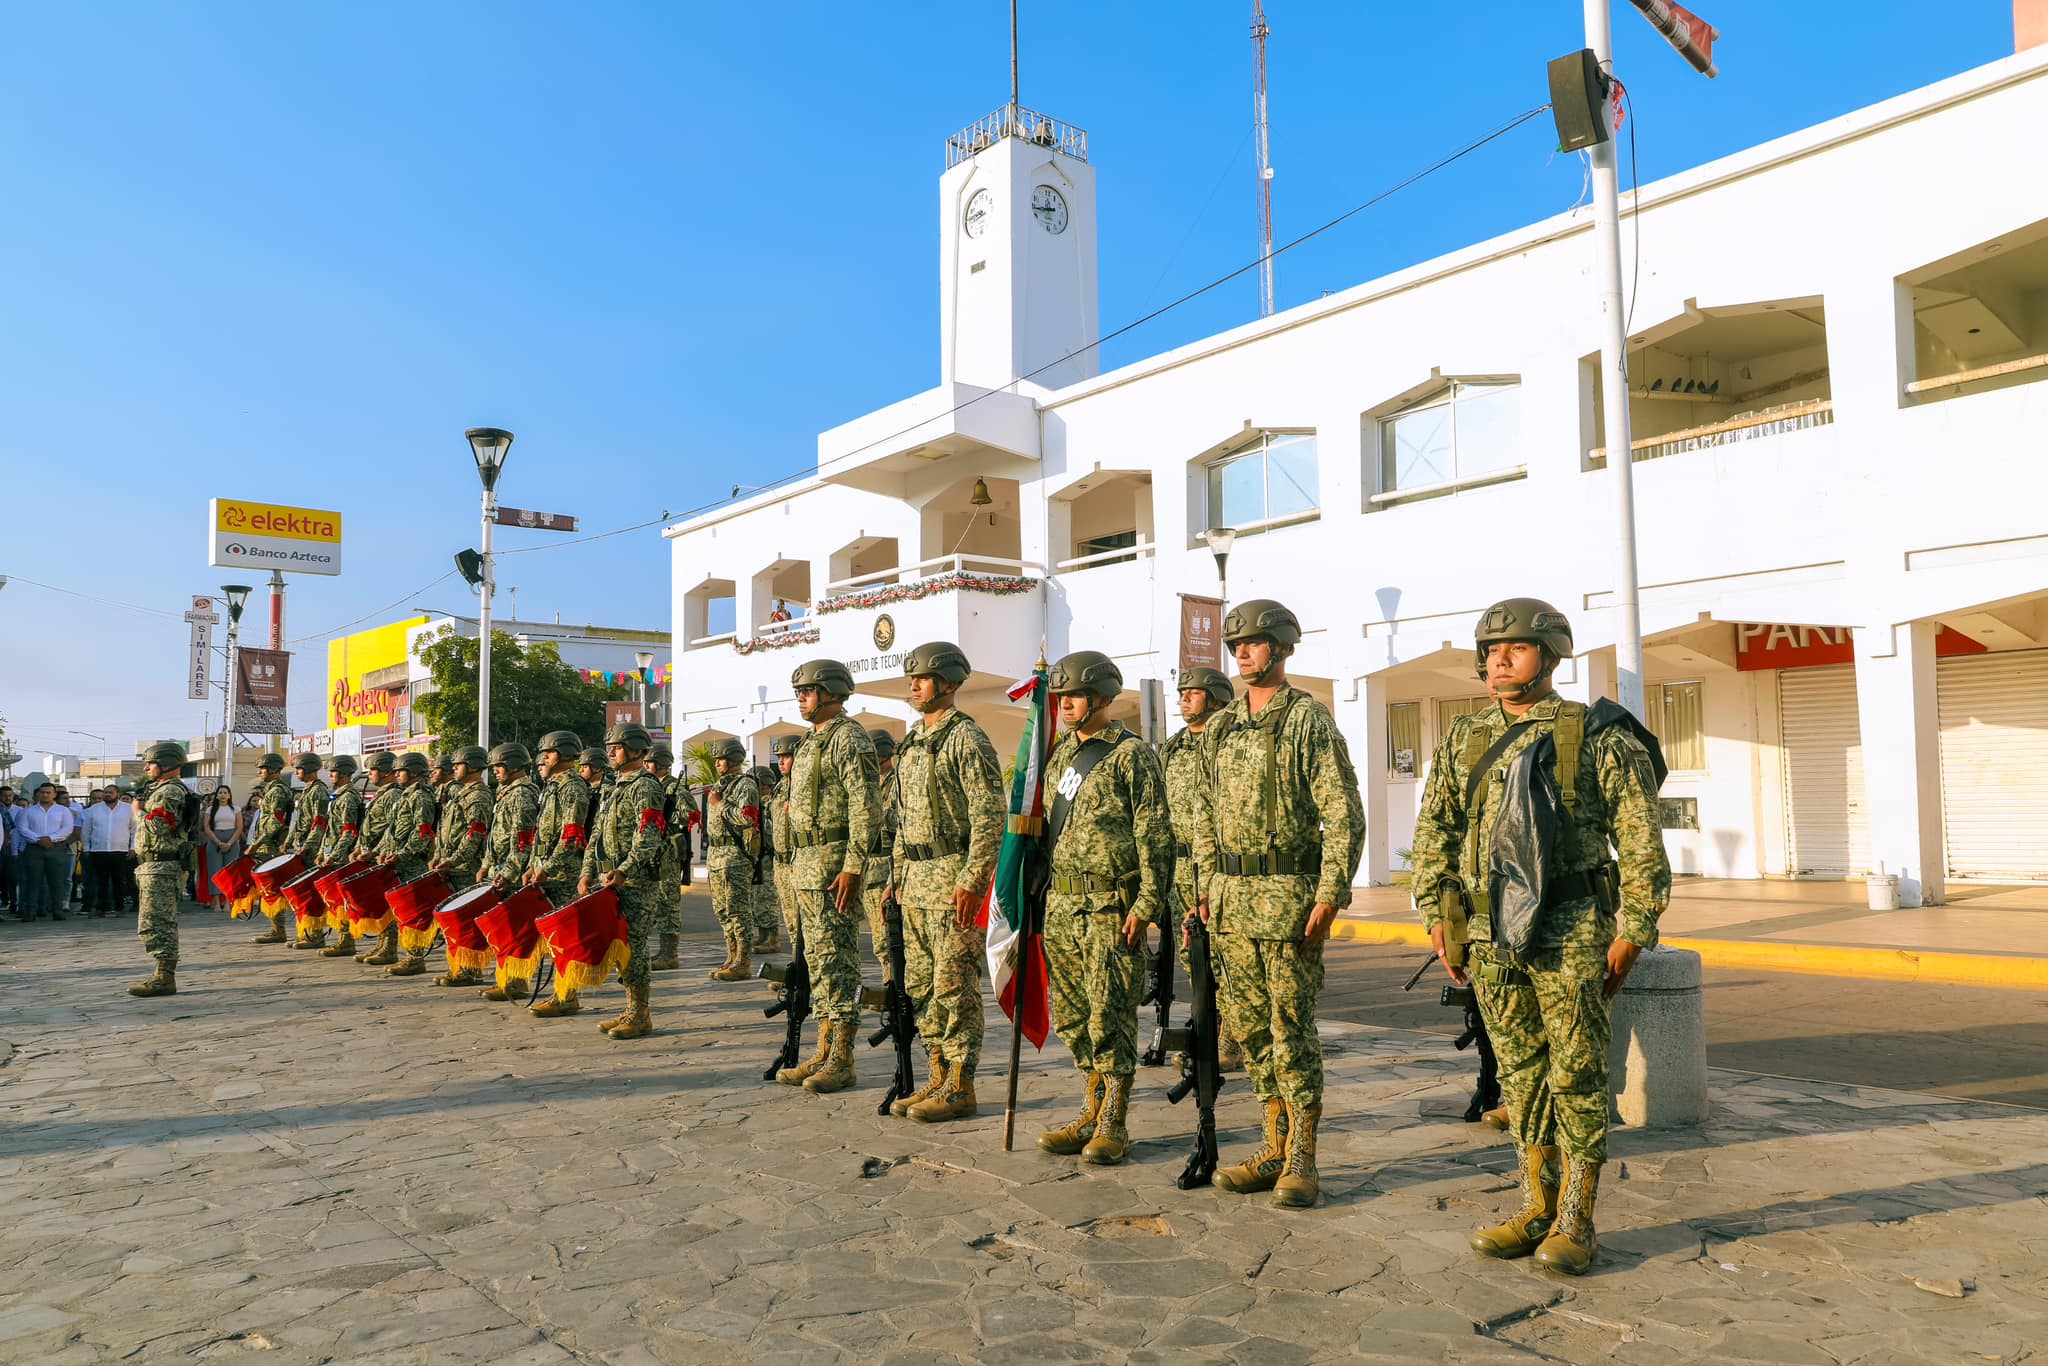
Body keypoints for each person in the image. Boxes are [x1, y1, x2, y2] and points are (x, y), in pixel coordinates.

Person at [1410, 597, 1671, 1275]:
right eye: (1491, 650)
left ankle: (1576, 1218)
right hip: (1489, 934)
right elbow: (1435, 830)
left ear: (1550, 657)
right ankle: (1535, 1205)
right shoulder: (1464, 736)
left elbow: (1641, 839)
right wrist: (1440, 918)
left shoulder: (1595, 735)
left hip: (1572, 929)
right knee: (1521, 1075)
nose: (1500, 660)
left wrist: (1634, 930)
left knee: (1576, 1075)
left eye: (1517, 648)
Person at [1188, 601, 1365, 1209]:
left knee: (1291, 1030)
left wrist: (1330, 893)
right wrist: (1206, 885)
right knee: (1251, 1030)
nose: (1242, 652)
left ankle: (1302, 1156)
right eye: (1236, 644)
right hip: (1231, 903)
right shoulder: (1221, 727)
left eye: (1255, 642)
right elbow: (1203, 814)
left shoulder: (1307, 719)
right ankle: (1272, 1144)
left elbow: (1343, 812)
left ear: (1283, 648)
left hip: (1287, 899)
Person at [1033, 651, 1173, 1165]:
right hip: (1062, 905)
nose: (1066, 704)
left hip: (1110, 907)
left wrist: (1148, 902)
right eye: (1062, 697)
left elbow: (1155, 834)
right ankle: (1089, 1110)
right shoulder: (1060, 756)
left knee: (1109, 1016)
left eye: (1075, 696)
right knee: (1072, 1017)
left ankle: (1113, 1119)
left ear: (1100, 698)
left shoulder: (1130, 755)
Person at [885, 641, 1003, 1123]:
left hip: (952, 884)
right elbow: (901, 818)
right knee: (921, 987)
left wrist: (973, 879)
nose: (914, 685)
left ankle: (960, 1083)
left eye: (924, 678)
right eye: (912, 678)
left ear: (949, 682)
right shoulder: (913, 741)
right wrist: (896, 876)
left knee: (955, 987)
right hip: (915, 884)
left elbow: (989, 815)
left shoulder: (966, 739)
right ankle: (936, 1075)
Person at [778, 659, 879, 1094]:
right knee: (817, 963)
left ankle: (842, 1057)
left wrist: (853, 866)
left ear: (831, 692)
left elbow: (866, 807)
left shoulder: (848, 738)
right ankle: (823, 1049)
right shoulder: (809, 741)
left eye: (807, 691)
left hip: (833, 868)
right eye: (798, 692)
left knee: (837, 962)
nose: (800, 698)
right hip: (805, 866)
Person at [1159, 665, 1243, 1069]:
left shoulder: (1229, 742)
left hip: (1216, 865)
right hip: (1178, 867)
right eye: (1182, 692)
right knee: (1192, 956)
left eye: (1193, 692)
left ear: (1216, 699)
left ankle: (1231, 1037)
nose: (1185, 698)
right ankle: (1206, 1027)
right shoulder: (1172, 748)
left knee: (1223, 956)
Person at [576, 723, 668, 1040]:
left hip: (636, 881)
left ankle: (640, 1013)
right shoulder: (614, 788)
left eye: (617, 747)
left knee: (634, 947)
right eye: (610, 747)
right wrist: (587, 871)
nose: (611, 752)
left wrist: (625, 870)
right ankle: (630, 1008)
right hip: (611, 880)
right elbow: (596, 835)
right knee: (621, 945)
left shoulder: (645, 787)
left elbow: (649, 835)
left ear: (636, 750)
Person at [522, 731, 592, 1012]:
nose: (544, 759)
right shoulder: (552, 787)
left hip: (564, 874)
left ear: (563, 755)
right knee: (554, 938)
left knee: (565, 939)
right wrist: (532, 865)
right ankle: (561, 993)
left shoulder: (572, 788)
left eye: (549, 753)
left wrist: (547, 868)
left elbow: (571, 837)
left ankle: (567, 996)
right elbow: (541, 835)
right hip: (546, 872)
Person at [127, 743, 196, 998]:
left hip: (162, 865)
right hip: (155, 865)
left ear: (166, 764)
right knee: (153, 921)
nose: (146, 768)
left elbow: (158, 825)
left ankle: (165, 977)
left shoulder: (169, 791)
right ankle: (162, 973)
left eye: (151, 763)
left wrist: (138, 812)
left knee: (159, 922)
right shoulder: (163, 789)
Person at [431, 745, 500, 987]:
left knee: (466, 921)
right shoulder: (461, 793)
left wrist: (455, 859)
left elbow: (475, 833)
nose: (454, 769)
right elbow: (446, 829)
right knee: (456, 921)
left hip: (467, 866)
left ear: (472, 767)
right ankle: (460, 966)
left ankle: (471, 969)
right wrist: (439, 855)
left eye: (458, 765)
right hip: (453, 865)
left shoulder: (478, 795)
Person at [704, 739, 762, 983]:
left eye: (722, 759)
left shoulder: (745, 785)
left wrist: (719, 805)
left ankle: (743, 962)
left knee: (738, 910)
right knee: (722, 910)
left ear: (734, 760)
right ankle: (731, 957)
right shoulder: (720, 785)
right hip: (716, 854)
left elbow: (747, 818)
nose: (718, 763)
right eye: (717, 759)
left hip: (734, 855)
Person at [380, 752, 441, 977]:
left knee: (413, 911)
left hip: (413, 862)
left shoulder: (420, 797)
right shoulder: (407, 795)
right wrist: (384, 851)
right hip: (400, 861)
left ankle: (415, 958)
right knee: (403, 911)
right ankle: (406, 953)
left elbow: (423, 833)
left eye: (401, 770)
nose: (396, 774)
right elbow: (395, 829)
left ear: (414, 772)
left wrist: (401, 854)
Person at [863, 729, 901, 985]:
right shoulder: (871, 785)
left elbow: (900, 820)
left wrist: (874, 812)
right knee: (879, 938)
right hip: (870, 868)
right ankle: (890, 983)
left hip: (887, 867)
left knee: (888, 936)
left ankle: (893, 987)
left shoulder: (896, 782)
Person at [355, 752, 401, 963]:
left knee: (387, 903)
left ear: (386, 772)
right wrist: (359, 847)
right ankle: (381, 944)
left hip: (382, 855)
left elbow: (392, 829)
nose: (370, 774)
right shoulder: (382, 794)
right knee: (379, 902)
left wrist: (378, 851)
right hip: (371, 854)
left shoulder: (393, 795)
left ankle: (389, 948)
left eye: (373, 770)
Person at [244, 753, 295, 944]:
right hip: (268, 845)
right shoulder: (272, 790)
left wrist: (256, 843)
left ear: (273, 770)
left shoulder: (277, 792)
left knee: (272, 888)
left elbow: (276, 822)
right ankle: (276, 928)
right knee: (269, 889)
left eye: (263, 768)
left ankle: (278, 929)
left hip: (271, 846)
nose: (259, 772)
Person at [317, 756, 365, 957]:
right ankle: (344, 939)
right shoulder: (338, 796)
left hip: (343, 856)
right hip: (334, 853)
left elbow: (349, 831)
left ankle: (346, 940)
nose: (330, 775)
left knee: (345, 900)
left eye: (334, 772)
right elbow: (331, 829)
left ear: (345, 773)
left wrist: (334, 855)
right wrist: (322, 851)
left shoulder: (347, 798)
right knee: (338, 899)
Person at [646, 743, 688, 971]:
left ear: (661, 763)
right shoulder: (652, 786)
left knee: (668, 902)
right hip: (655, 850)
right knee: (657, 901)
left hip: (668, 853)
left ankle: (670, 953)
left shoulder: (674, 787)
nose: (646, 765)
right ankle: (663, 951)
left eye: (650, 762)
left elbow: (688, 814)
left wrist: (667, 816)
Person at [284, 754, 331, 948]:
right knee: (303, 893)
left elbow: (319, 823)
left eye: (299, 768)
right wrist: (289, 841)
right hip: (301, 846)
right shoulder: (307, 790)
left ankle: (315, 935)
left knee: (311, 894)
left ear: (311, 769)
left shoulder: (318, 791)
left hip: (310, 850)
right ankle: (306, 932)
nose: (297, 772)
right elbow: (299, 821)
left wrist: (307, 847)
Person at [17, 782, 78, 920]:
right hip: (34, 848)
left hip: (56, 848)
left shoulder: (63, 811)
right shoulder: (29, 811)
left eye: (48, 792)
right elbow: (23, 829)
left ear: (54, 794)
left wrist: (51, 838)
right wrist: (38, 839)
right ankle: (31, 911)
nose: (45, 795)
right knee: (33, 881)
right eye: (42, 792)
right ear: (38, 794)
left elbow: (67, 828)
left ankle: (57, 910)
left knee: (57, 880)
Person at [765, 735, 801, 952]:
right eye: (779, 756)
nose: (780, 761)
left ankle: (807, 967)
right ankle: (798, 965)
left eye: (786, 756)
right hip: (782, 862)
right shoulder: (780, 787)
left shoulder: (803, 785)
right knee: (790, 922)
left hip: (799, 862)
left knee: (805, 922)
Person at [82, 785, 137, 918]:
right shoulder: (94, 809)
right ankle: (100, 909)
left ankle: (119, 908)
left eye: (111, 792)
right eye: (106, 792)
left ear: (117, 794)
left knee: (119, 881)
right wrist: (86, 848)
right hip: (98, 850)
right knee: (101, 881)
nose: (107, 794)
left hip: (120, 850)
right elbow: (86, 830)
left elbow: (134, 830)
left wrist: (133, 847)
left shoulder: (128, 809)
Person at [200, 786, 242, 912]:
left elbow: (239, 828)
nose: (222, 795)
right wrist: (218, 842)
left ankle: (228, 901)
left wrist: (230, 843)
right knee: (215, 871)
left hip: (231, 838)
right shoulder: (210, 810)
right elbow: (207, 827)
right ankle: (217, 902)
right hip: (215, 838)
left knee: (230, 871)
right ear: (217, 796)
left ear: (229, 795)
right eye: (220, 793)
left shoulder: (236, 809)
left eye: (225, 793)